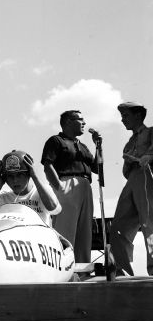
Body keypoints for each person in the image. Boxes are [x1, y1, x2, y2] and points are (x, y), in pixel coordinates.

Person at [41, 110, 101, 263]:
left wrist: (98, 147)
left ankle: (82, 270)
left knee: (84, 232)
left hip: (86, 185)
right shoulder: (56, 140)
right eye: (80, 119)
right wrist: (59, 188)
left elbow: (97, 168)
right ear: (68, 121)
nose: (84, 123)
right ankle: (62, 266)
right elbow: (48, 165)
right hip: (67, 183)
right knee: (65, 230)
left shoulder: (83, 146)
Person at [109, 102, 153, 276]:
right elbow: (125, 172)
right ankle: (121, 270)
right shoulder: (129, 141)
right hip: (133, 179)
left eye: (126, 116)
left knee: (149, 222)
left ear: (138, 115)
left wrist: (148, 156)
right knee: (118, 225)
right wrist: (129, 161)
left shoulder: (151, 132)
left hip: (147, 176)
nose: (122, 120)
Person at [0, 150, 61, 226]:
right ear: (5, 179)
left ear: (29, 175)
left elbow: (53, 208)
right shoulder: (2, 198)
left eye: (20, 175)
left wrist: (35, 177)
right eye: (10, 176)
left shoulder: (42, 192)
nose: (15, 180)